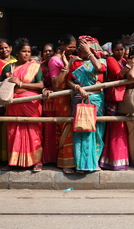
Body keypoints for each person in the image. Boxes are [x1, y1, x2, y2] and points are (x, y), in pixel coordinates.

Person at [0, 38, 44, 172]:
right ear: (17, 52)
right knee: (13, 132)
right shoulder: (9, 67)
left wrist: (20, 83)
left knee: (33, 132)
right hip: (13, 103)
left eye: (29, 52)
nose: (27, 54)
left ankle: (37, 161)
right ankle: (13, 161)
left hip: (31, 103)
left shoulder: (35, 67)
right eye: (24, 51)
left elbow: (41, 85)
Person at [100, 44, 134, 170]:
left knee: (122, 128)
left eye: (122, 49)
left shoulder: (124, 61)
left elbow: (131, 76)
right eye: (117, 50)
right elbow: (118, 75)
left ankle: (123, 160)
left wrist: (132, 63)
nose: (120, 52)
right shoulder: (111, 60)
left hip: (123, 98)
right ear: (112, 51)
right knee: (115, 128)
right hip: (113, 99)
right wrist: (133, 62)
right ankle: (112, 160)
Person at [68, 36, 107, 173]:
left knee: (95, 130)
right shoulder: (75, 62)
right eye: (80, 47)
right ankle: (81, 165)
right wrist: (78, 88)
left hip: (96, 101)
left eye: (84, 47)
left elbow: (99, 68)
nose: (80, 49)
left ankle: (93, 163)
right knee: (81, 130)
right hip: (80, 99)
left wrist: (89, 54)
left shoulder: (101, 61)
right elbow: (69, 81)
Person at [49, 34, 77, 173]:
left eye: (74, 47)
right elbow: (55, 84)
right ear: (62, 45)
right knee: (66, 128)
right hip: (61, 98)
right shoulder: (55, 60)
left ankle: (75, 161)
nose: (72, 49)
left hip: (74, 97)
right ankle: (65, 163)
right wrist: (66, 67)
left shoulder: (74, 58)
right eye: (69, 46)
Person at [39, 43, 57, 165]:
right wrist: (43, 90)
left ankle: (56, 159)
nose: (48, 53)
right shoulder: (39, 67)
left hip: (58, 100)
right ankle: (44, 159)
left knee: (56, 129)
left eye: (50, 51)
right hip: (44, 100)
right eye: (45, 51)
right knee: (45, 129)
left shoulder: (58, 64)